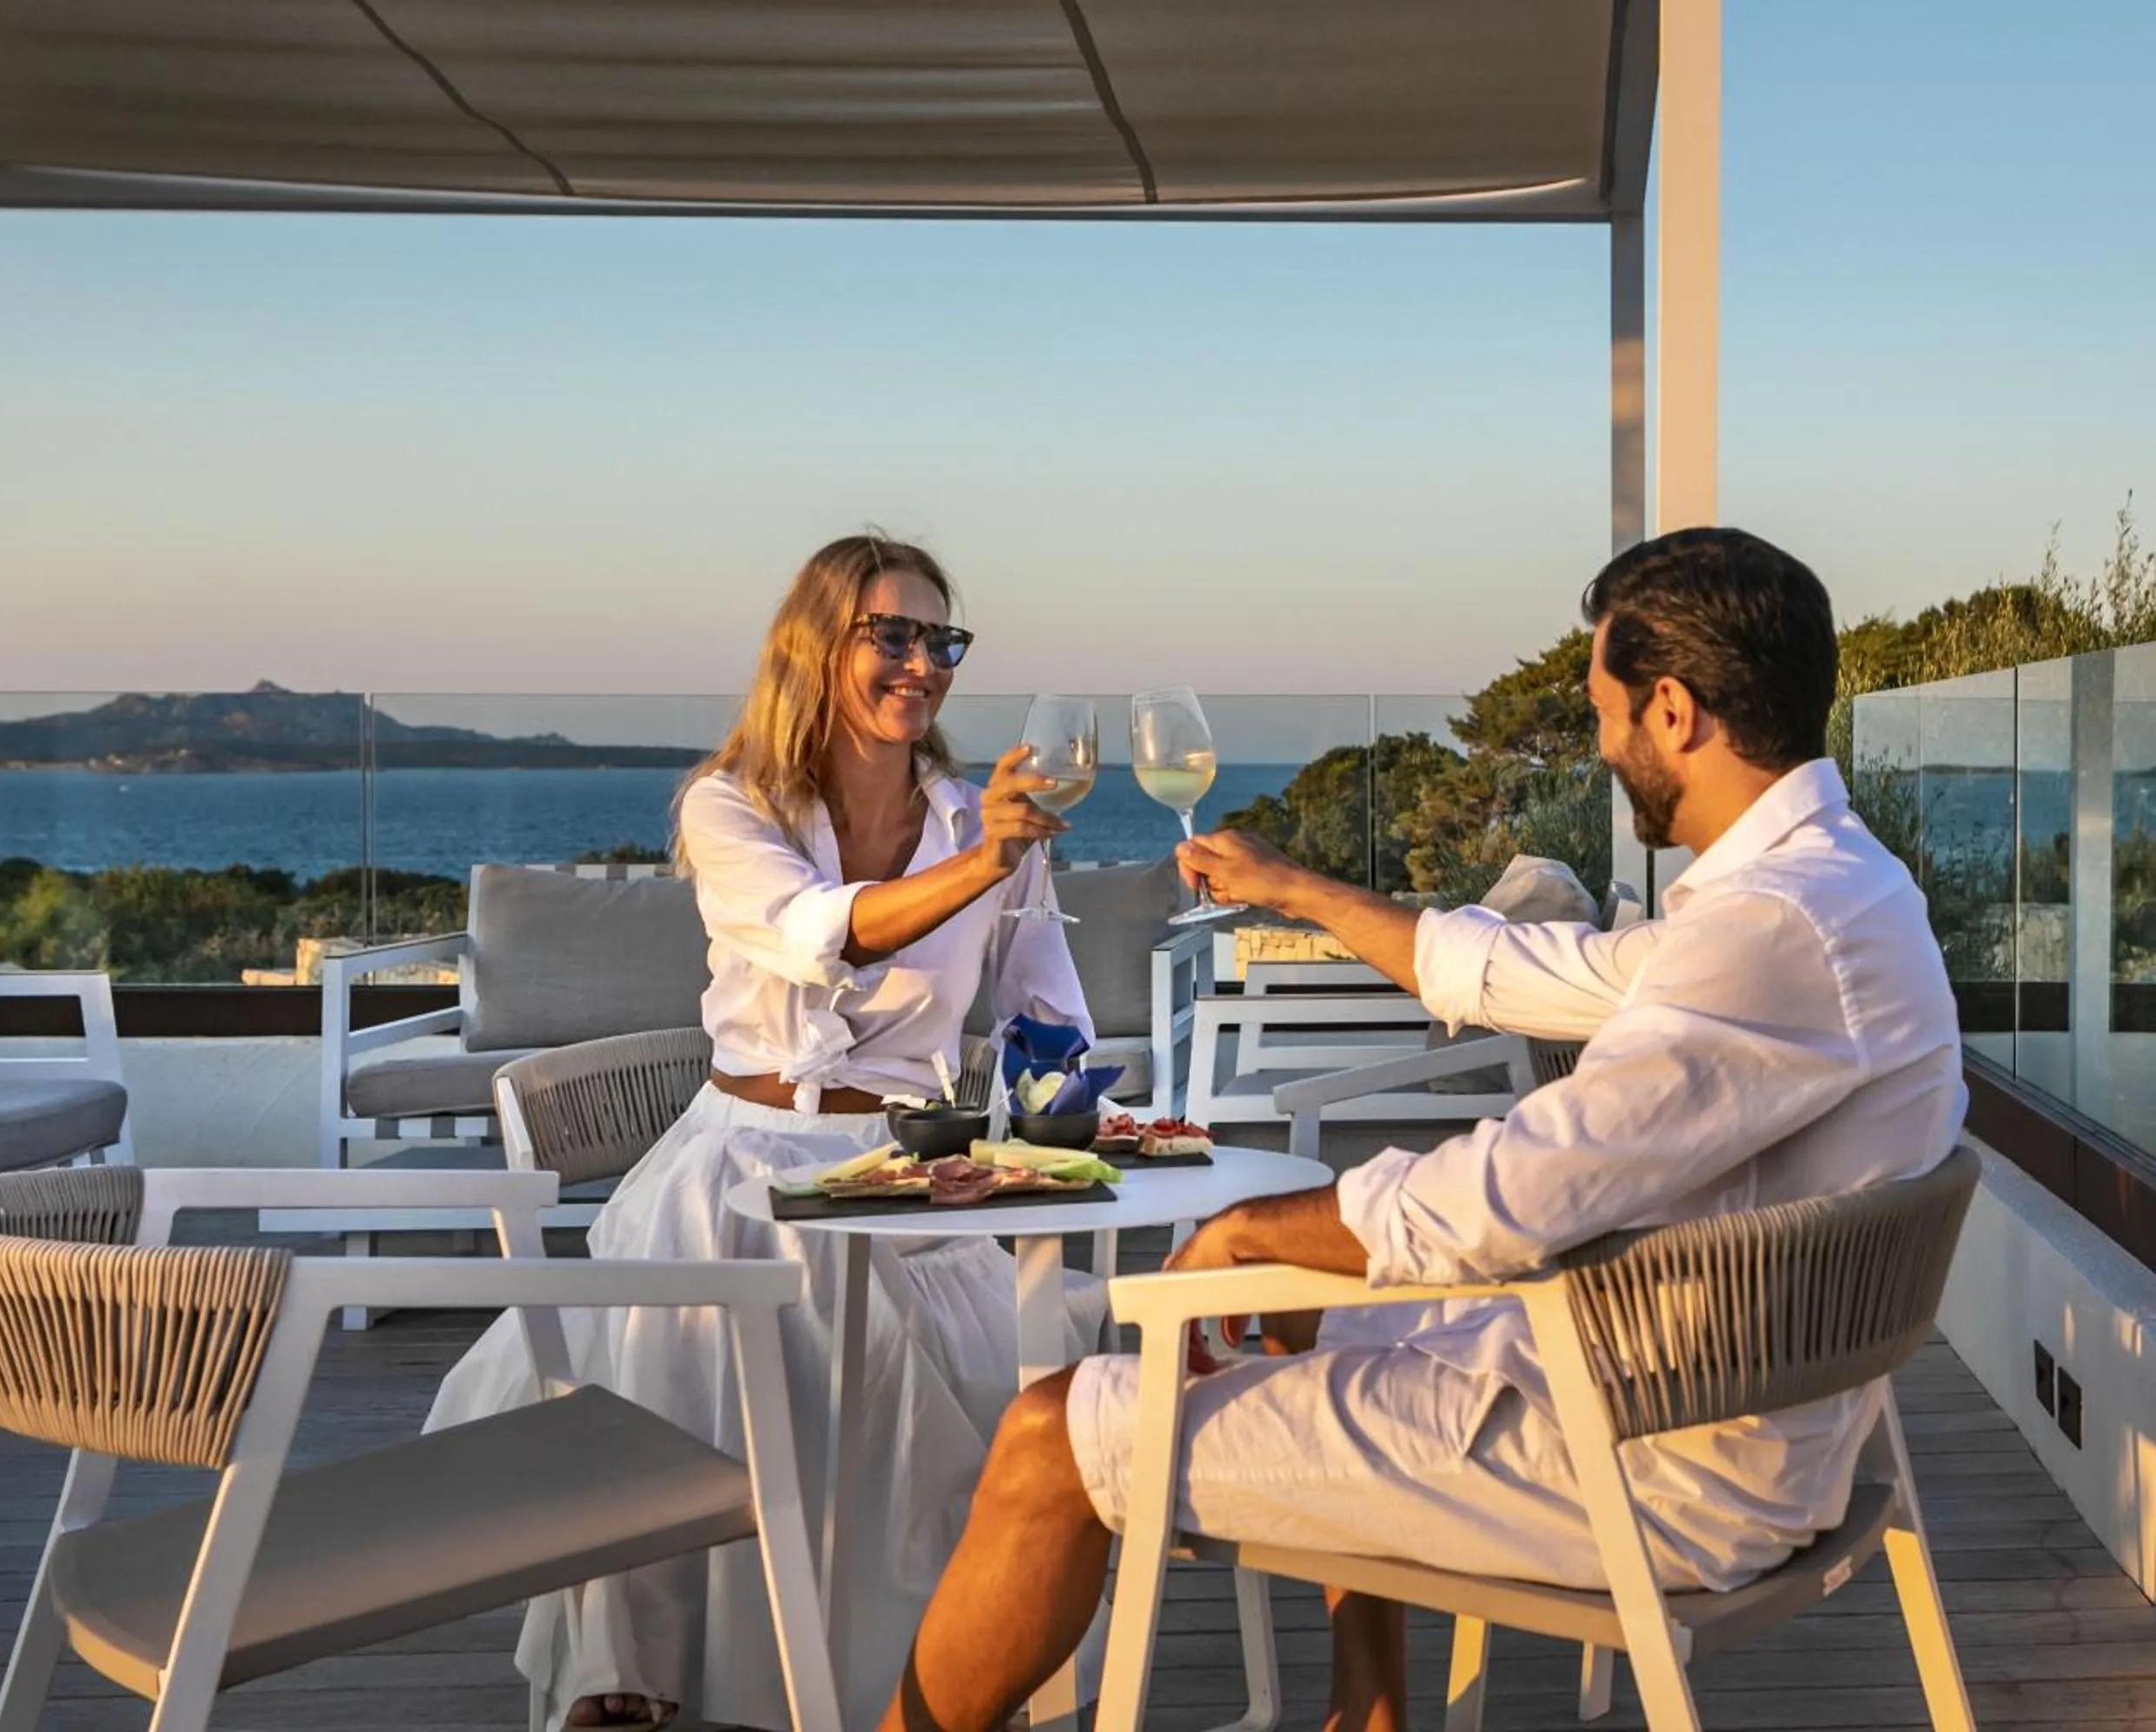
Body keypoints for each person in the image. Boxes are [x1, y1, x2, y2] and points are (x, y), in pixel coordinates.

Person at [880, 527, 1968, 1732]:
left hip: (1642, 1460)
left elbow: (1504, 1202)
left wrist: (1246, 1234)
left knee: (1049, 1438)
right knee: (1302, 1298)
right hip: (1717, 1408)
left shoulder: (1773, 932)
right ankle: (1371, 1706)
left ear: (1673, 710)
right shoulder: (1842, 891)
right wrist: (1295, 887)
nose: (1604, 745)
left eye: (1607, 710)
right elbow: (1532, 972)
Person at [427, 533, 1105, 1732]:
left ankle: (914, 1701)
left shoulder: (977, 819)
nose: (921, 663)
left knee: (971, 1455)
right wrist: (983, 867)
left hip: (911, 1178)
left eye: (939, 639)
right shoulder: (731, 803)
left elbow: (1047, 1007)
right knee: (676, 1421)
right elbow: (813, 931)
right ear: (815, 645)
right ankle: (633, 1695)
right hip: (738, 1170)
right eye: (889, 634)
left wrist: (1073, 1137)